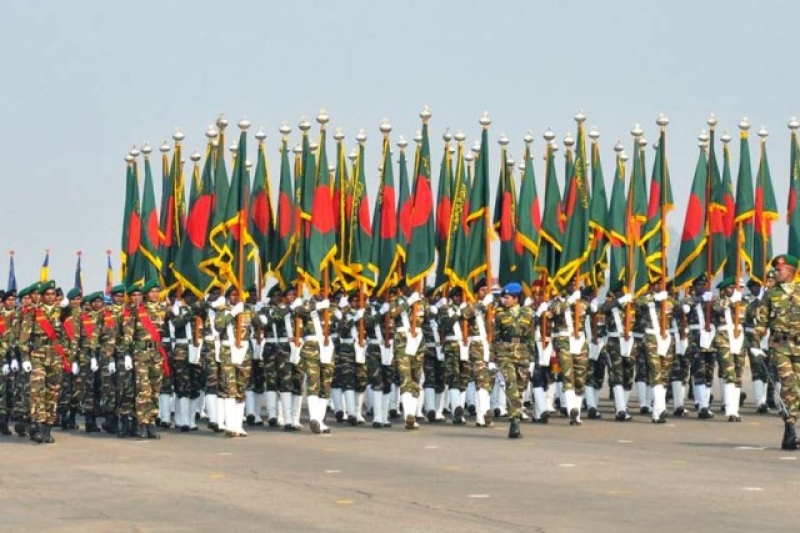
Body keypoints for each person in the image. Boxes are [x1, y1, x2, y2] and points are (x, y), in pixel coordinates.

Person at [751, 254, 800, 450]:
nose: (776, 273)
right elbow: (761, 322)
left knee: (797, 388)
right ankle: (789, 428)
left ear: (790, 271)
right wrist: (755, 343)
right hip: (780, 346)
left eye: (779, 270)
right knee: (788, 386)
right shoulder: (771, 294)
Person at [18, 280, 66, 444]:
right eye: (47, 294)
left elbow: (68, 336)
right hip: (38, 356)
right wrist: (25, 358)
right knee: (38, 392)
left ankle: (47, 429)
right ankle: (38, 427)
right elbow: (23, 338)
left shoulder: (61, 312)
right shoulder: (34, 312)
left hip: (56, 357)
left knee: (53, 393)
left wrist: (68, 355)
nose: (50, 297)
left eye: (53, 294)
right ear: (42, 296)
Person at [121, 280, 167, 439]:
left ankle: (152, 422)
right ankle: (142, 423)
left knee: (155, 390)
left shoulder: (163, 309)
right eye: (152, 292)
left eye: (157, 291)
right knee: (143, 390)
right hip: (141, 354)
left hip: (156, 354)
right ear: (146, 294)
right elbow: (128, 333)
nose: (155, 294)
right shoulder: (137, 310)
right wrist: (126, 354)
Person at [493, 282, 535, 438]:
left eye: (508, 297)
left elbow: (531, 336)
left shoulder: (528, 313)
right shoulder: (500, 314)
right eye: (505, 297)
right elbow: (496, 337)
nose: (505, 300)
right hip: (506, 352)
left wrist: (533, 356)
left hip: (522, 353)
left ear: (516, 298)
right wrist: (494, 356)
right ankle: (515, 421)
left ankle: (515, 414)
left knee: (521, 387)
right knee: (511, 386)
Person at [548, 278, 590, 426]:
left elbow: (597, 311)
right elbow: (555, 310)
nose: (573, 286)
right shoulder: (557, 301)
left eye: (575, 284)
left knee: (580, 379)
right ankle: (572, 407)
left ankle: (576, 414)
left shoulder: (583, 302)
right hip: (564, 340)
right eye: (570, 284)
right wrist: (571, 300)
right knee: (567, 375)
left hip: (580, 341)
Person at [711, 278, 745, 422]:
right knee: (729, 373)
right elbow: (717, 309)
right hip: (724, 339)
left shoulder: (743, 303)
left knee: (738, 374)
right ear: (724, 289)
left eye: (735, 287)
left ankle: (735, 410)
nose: (733, 290)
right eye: (730, 288)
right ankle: (730, 409)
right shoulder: (719, 300)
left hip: (739, 339)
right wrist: (731, 301)